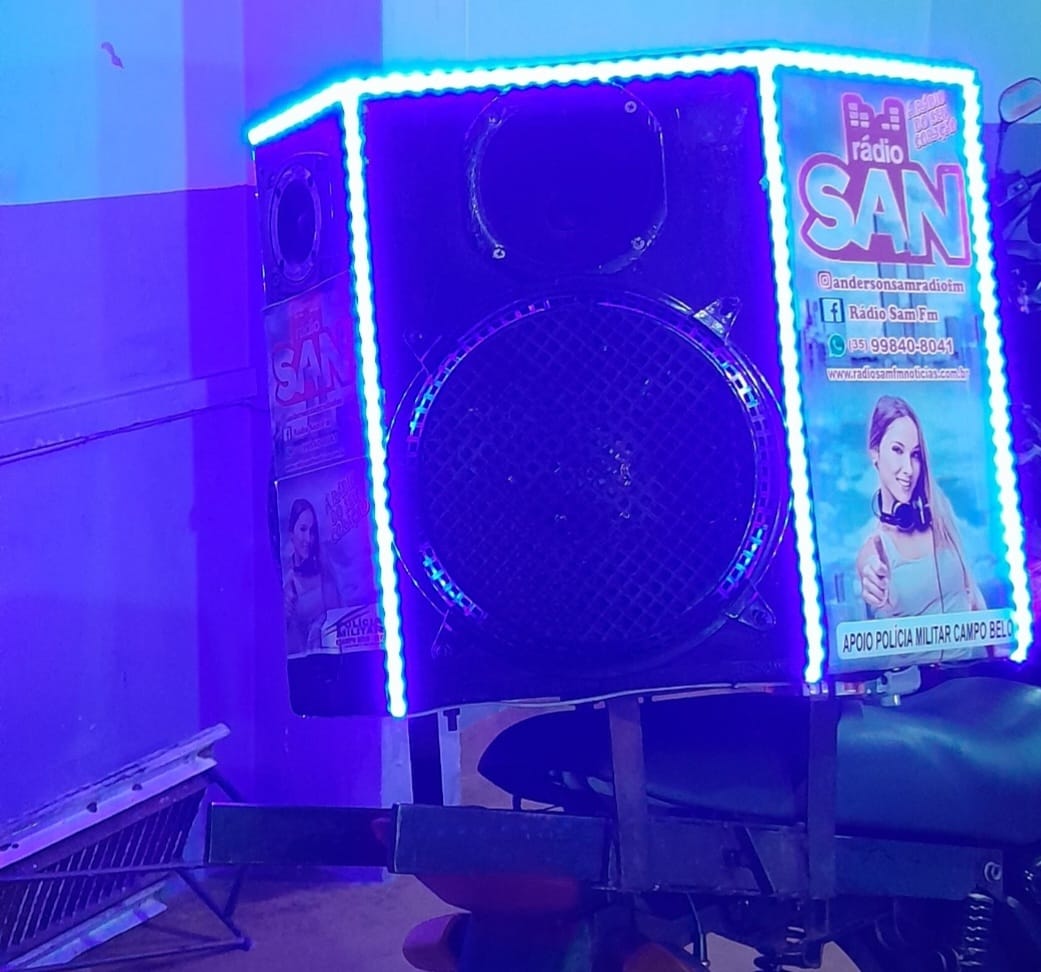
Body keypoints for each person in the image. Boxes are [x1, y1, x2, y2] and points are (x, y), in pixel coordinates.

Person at [856, 395, 985, 618]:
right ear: (875, 452)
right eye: (897, 450)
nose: (908, 469)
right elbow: (870, 572)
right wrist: (872, 579)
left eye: (915, 455)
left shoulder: (940, 513)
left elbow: (973, 593)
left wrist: (999, 639)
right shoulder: (875, 549)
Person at [283, 498, 341, 655]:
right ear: (291, 533)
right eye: (303, 529)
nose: (308, 539)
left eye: (312, 531)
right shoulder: (285, 578)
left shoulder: (324, 570)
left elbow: (337, 617)